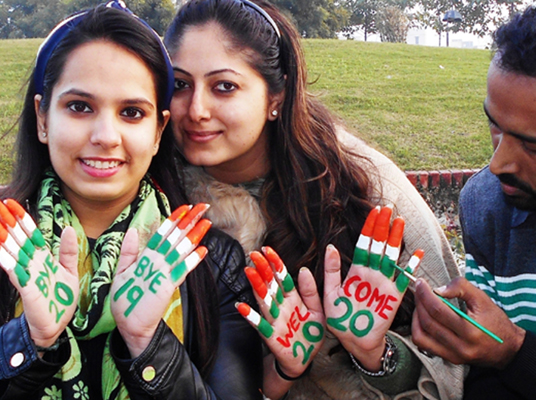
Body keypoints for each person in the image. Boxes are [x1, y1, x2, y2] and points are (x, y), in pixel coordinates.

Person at [0, 2, 263, 399]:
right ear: (42, 117)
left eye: (131, 112)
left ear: (159, 130)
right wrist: (28, 340)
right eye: (80, 107)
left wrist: (148, 346)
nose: (106, 135)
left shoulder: (209, 259)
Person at [163, 0, 463, 399]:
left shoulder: (362, 184)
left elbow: (451, 366)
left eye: (224, 86)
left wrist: (374, 352)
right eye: (181, 84)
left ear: (277, 96)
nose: (196, 110)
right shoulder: (153, 192)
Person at [412, 6, 536, 400]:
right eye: (495, 126)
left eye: (532, 146)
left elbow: (507, 354)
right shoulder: (485, 203)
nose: (497, 164)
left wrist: (515, 350)